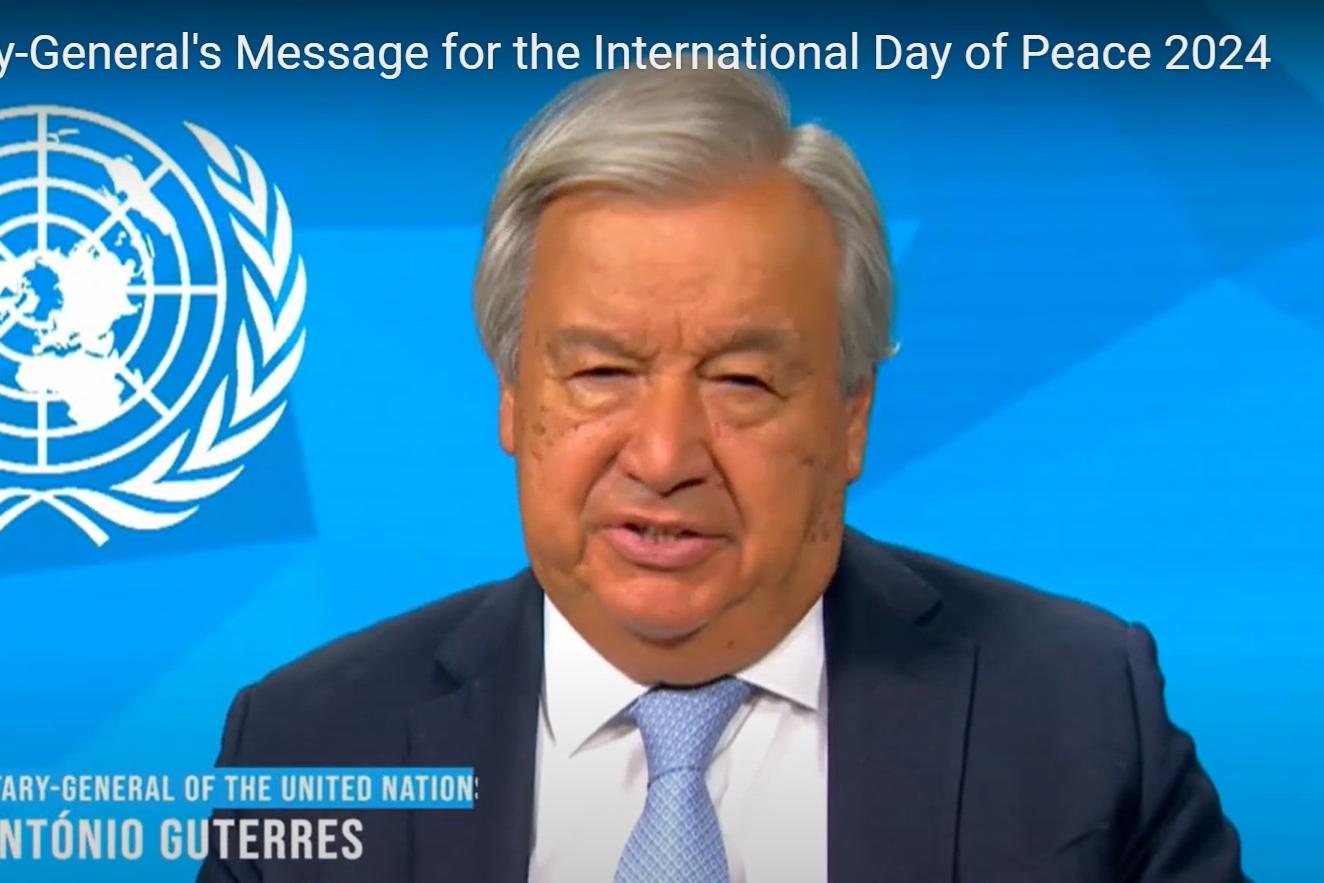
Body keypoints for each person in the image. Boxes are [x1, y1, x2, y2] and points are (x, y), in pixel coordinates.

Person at [198, 64, 1247, 882]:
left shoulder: (1078, 709)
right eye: (602, 372)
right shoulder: (310, 746)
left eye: (742, 380)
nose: (663, 457)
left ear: (849, 417)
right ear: (513, 399)